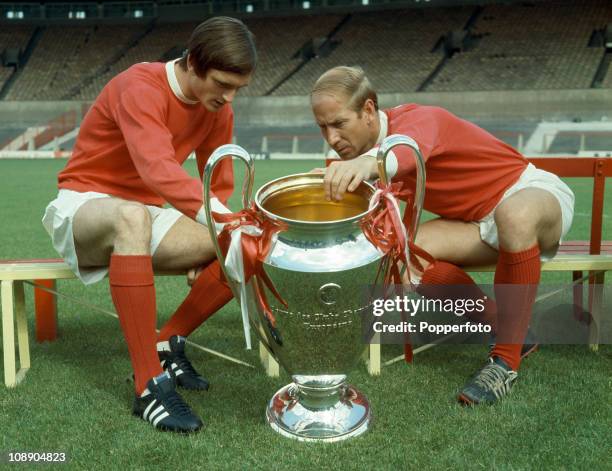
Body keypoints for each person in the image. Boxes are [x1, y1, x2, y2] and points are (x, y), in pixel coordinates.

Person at [310, 66, 574, 405]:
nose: (331, 138)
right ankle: (511, 330)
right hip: (477, 224)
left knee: (514, 215)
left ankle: (505, 362)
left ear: (369, 111)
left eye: (339, 124)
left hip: (529, 194)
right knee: (404, 256)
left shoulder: (419, 120)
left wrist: (365, 168)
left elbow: (405, 153)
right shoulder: (348, 156)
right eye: (322, 127)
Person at [42, 17, 256, 432]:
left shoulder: (217, 108)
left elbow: (219, 181)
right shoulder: (138, 85)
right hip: (84, 206)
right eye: (222, 85)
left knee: (246, 238)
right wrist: (216, 222)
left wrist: (218, 236)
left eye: (237, 89)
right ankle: (148, 385)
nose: (229, 97)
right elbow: (156, 168)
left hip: (147, 214)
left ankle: (168, 340)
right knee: (133, 215)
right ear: (192, 63)